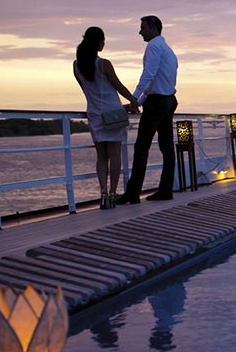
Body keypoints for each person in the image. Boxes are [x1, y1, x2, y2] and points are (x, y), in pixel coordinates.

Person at [73, 27, 139, 209]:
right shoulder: (104, 64)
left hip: (94, 113)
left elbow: (88, 91)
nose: (104, 43)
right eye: (103, 40)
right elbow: (119, 87)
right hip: (113, 114)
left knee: (101, 156)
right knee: (115, 154)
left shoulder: (76, 66)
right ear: (98, 42)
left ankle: (102, 193)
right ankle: (112, 194)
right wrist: (133, 101)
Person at [116, 15, 179, 204]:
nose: (140, 31)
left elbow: (149, 74)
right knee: (167, 147)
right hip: (168, 100)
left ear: (153, 27)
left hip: (157, 103)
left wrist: (134, 98)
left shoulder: (153, 46)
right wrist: (140, 101)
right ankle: (165, 190)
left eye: (142, 27)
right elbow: (157, 80)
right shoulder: (168, 50)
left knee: (142, 146)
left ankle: (132, 193)